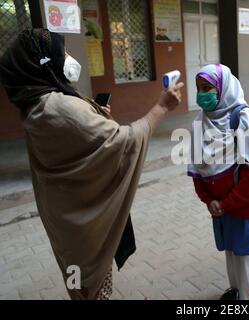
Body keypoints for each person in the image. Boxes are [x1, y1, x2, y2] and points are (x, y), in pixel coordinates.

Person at [0, 29, 183, 299]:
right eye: (61, 52)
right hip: (83, 222)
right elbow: (124, 142)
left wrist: (96, 116)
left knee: (83, 282)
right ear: (46, 61)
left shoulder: (36, 103)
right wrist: (161, 108)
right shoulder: (57, 106)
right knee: (90, 286)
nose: (69, 57)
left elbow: (80, 140)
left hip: (66, 215)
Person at [188, 64, 249, 300]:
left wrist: (225, 203)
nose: (202, 94)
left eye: (208, 88)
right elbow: (197, 169)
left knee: (247, 258)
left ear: (223, 88)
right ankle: (236, 293)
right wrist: (209, 201)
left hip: (246, 208)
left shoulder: (243, 117)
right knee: (232, 252)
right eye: (199, 88)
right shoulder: (200, 122)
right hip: (220, 209)